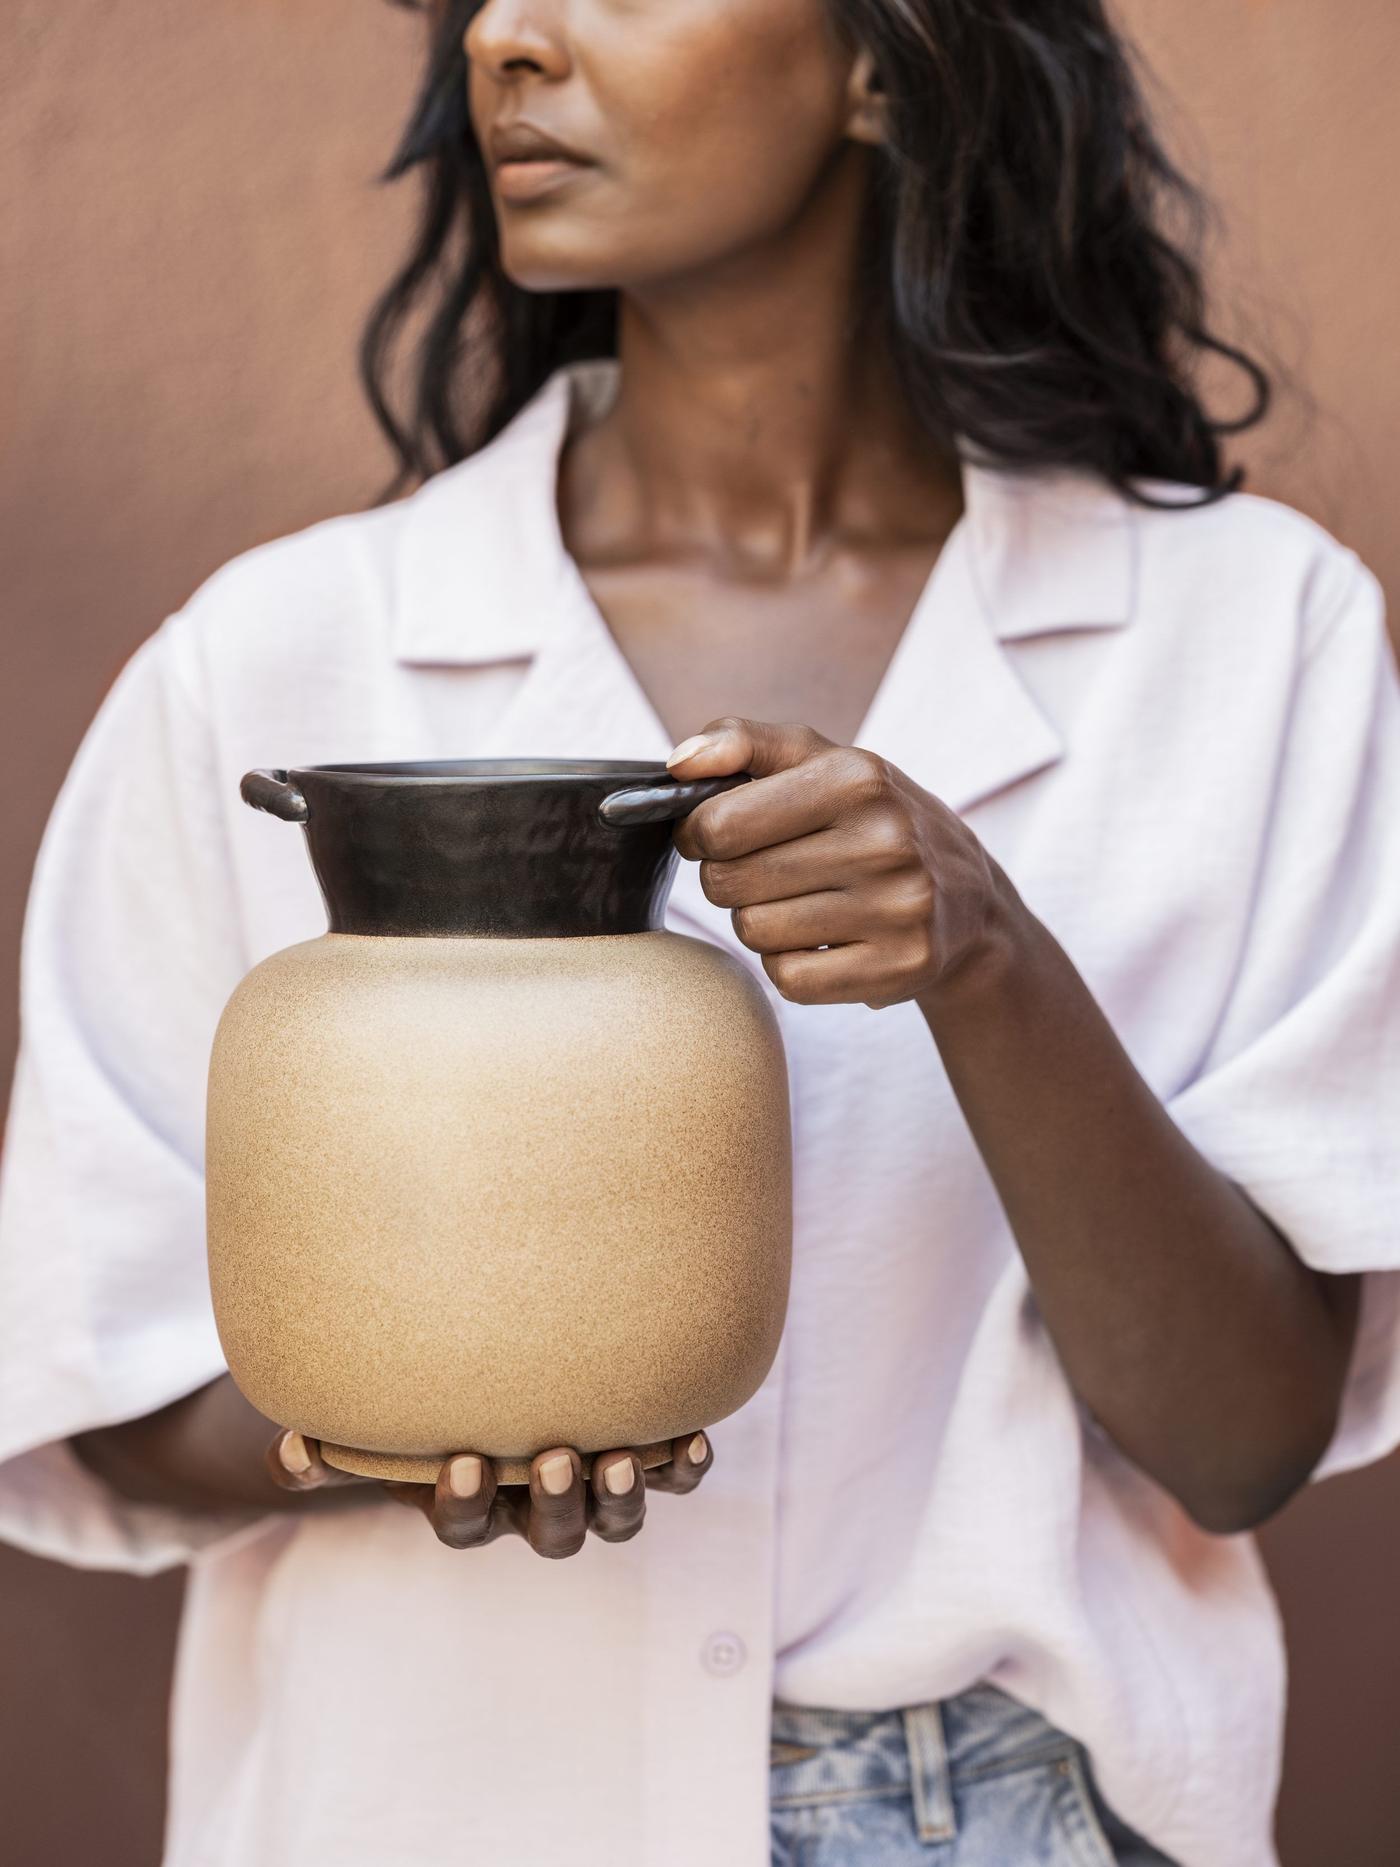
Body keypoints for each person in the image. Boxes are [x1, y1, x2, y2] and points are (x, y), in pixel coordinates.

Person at [0, 1, 1397, 1862]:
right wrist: (428, 1391)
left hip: (1004, 1814)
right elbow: (100, 1383)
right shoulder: (269, 661)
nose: (506, 38)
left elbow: (1244, 1440)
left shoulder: (1249, 637)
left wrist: (988, 957)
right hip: (426, 1806)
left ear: (884, 60)